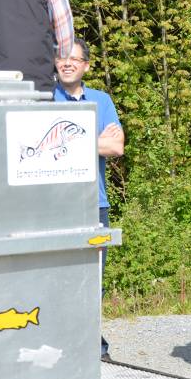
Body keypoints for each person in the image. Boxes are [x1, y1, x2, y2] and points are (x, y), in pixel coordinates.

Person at [54, 38, 124, 361]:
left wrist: (64, 145)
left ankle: (92, 345)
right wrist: (93, 141)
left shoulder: (102, 100)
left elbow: (116, 148)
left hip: (94, 204)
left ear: (85, 65)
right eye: (61, 57)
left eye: (73, 58)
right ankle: (59, 344)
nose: (66, 63)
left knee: (92, 279)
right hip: (54, 205)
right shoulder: (43, 98)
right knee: (56, 277)